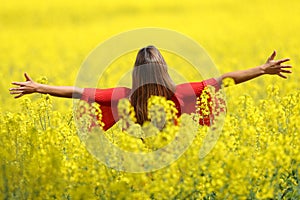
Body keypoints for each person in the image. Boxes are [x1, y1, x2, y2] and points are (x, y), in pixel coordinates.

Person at [9, 46, 292, 130]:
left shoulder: (124, 98)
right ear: (164, 69)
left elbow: (80, 92)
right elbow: (223, 80)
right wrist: (262, 70)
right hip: (180, 169)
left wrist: (39, 88)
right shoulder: (181, 93)